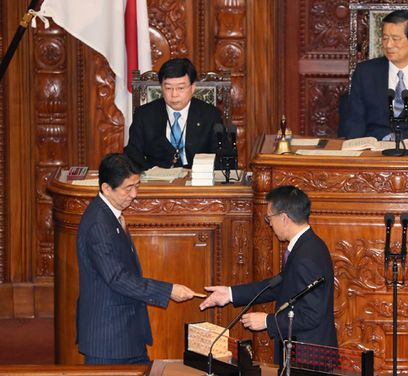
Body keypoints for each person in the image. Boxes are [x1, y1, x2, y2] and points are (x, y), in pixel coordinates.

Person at [76, 153, 195, 364]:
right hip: (108, 340)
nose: (134, 194)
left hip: (125, 333)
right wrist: (168, 290)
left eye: (137, 186)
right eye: (128, 188)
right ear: (106, 188)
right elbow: (117, 278)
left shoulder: (110, 214)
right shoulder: (98, 225)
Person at [199, 185, 337, 360]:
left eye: (270, 218)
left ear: (284, 218)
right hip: (302, 352)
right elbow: (280, 285)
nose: (270, 223)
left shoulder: (306, 257)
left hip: (308, 357)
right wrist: (230, 294)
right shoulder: (308, 245)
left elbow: (312, 316)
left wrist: (267, 321)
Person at [342, 10, 408, 141]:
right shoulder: (365, 73)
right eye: (385, 38)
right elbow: (355, 121)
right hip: (374, 153)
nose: (388, 45)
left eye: (395, 39)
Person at [124, 57, 223, 169]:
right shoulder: (144, 115)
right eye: (168, 88)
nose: (174, 94)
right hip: (158, 180)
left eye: (180, 88)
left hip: (196, 180)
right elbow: (133, 154)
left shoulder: (211, 115)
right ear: (161, 87)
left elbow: (220, 155)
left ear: (193, 87)